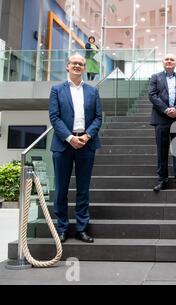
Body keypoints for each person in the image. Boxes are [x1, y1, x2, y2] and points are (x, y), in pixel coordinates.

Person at [49, 53, 102, 243]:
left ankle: (81, 228)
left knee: (83, 190)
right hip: (63, 145)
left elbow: (98, 117)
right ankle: (62, 228)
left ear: (84, 68)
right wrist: (70, 138)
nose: (77, 66)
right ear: (67, 66)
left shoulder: (92, 91)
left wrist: (87, 136)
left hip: (86, 145)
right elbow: (54, 118)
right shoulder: (56, 90)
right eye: (74, 63)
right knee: (61, 189)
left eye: (81, 64)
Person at [149, 54, 176, 191]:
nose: (169, 61)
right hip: (161, 118)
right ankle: (162, 180)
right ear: (162, 62)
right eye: (166, 59)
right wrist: (166, 110)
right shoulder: (155, 77)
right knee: (162, 150)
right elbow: (152, 95)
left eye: (172, 59)